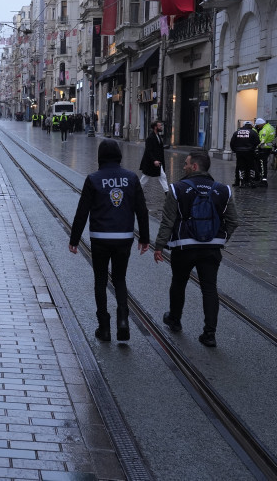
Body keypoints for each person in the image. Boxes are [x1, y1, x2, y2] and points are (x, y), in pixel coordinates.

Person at [154, 150, 239, 347]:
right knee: (209, 288)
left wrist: (159, 246)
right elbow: (233, 221)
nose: (183, 166)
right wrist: (221, 237)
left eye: (185, 163)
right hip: (212, 249)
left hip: (184, 247)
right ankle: (209, 334)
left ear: (194, 166)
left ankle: (175, 320)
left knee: (179, 283)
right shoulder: (223, 190)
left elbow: (167, 221)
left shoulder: (177, 189)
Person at [69, 140, 150, 342]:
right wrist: (145, 238)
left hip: (100, 237)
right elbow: (142, 210)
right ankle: (123, 321)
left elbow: (82, 212)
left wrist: (74, 239)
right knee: (120, 279)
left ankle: (104, 327)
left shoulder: (93, 179)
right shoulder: (131, 178)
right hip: (124, 236)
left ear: (100, 157)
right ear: (119, 156)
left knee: (100, 280)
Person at [139, 121, 169, 194]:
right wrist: (154, 160)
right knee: (145, 178)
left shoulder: (157, 136)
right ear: (155, 127)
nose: (161, 127)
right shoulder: (150, 137)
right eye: (160, 126)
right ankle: (137, 191)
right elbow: (148, 151)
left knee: (162, 176)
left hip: (158, 161)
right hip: (150, 162)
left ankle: (167, 192)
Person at [230, 121, 259, 187]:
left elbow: (232, 143)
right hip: (250, 152)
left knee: (240, 166)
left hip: (239, 152)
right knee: (251, 166)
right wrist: (253, 148)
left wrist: (235, 150)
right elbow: (257, 141)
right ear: (250, 125)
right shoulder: (253, 132)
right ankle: (251, 181)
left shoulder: (237, 132)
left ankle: (242, 182)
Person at [254, 118, 274, 186]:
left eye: (258, 125)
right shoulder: (270, 127)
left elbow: (262, 141)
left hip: (263, 149)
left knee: (262, 165)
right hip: (268, 148)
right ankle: (263, 179)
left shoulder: (264, 130)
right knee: (264, 164)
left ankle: (263, 181)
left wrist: (256, 146)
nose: (258, 127)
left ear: (261, 124)